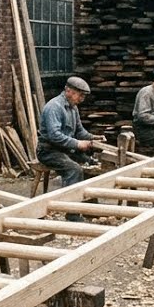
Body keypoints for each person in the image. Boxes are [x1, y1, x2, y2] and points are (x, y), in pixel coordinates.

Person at [36, 76, 104, 219]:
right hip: (48, 151)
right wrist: (78, 144)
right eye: (80, 95)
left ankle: (90, 210)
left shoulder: (73, 108)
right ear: (68, 91)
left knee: (90, 164)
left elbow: (80, 131)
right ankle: (71, 213)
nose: (81, 99)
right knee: (74, 169)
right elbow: (55, 136)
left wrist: (93, 138)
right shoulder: (54, 107)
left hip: (64, 149)